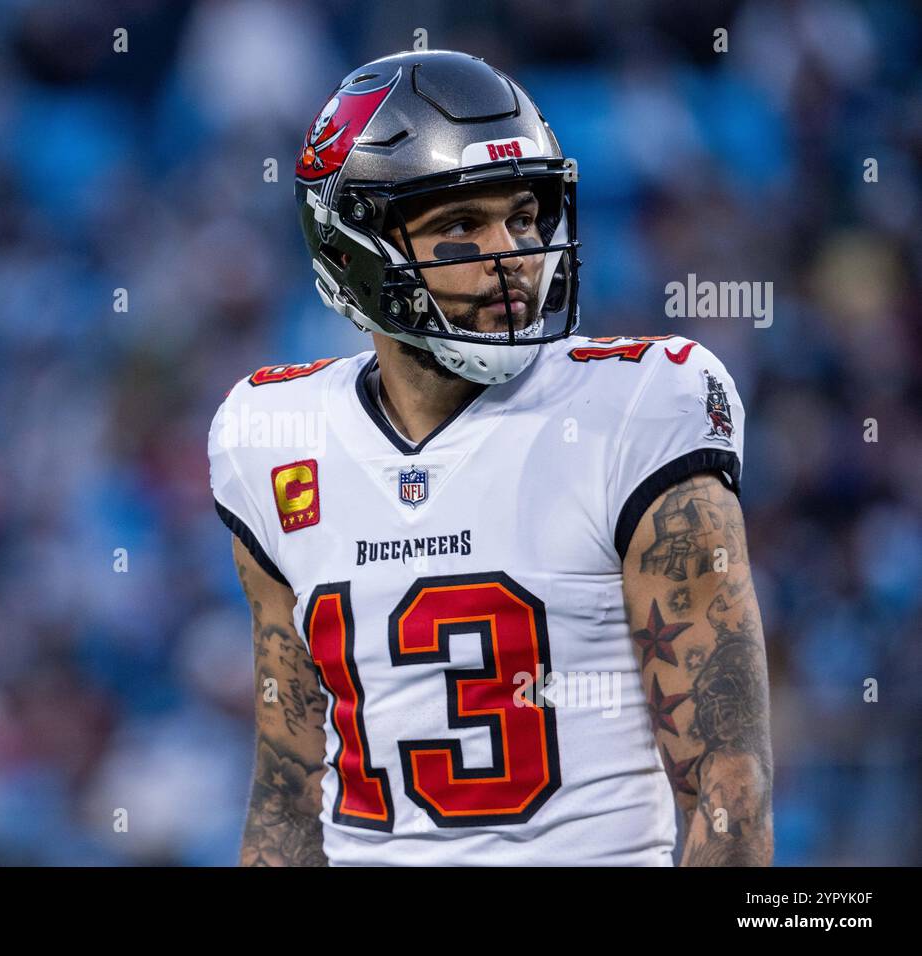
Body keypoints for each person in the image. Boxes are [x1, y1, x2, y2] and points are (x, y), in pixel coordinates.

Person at [208, 49, 772, 866]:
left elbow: (729, 785)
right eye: (460, 226)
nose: (512, 254)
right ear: (351, 252)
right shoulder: (272, 434)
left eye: (524, 215)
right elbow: (289, 788)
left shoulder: (643, 407)